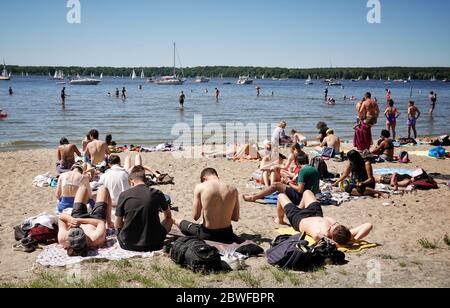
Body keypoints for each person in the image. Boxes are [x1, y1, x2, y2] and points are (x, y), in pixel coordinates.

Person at [276, 191, 373, 246]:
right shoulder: (346, 235)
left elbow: (318, 236)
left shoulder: (321, 233)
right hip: (315, 213)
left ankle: (280, 220)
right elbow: (368, 225)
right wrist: (355, 239)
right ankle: (300, 208)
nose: (333, 224)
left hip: (299, 219)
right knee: (307, 192)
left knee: (281, 196)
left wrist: (335, 243)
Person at [174, 168, 240, 244]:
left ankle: (174, 220)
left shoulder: (200, 187)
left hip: (208, 234)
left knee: (179, 221)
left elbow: (195, 216)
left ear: (204, 178)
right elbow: (235, 218)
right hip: (227, 234)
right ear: (217, 176)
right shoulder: (233, 188)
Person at [115, 166, 173, 252]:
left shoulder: (124, 195)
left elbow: (118, 224)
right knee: (170, 220)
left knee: (120, 223)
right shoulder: (156, 193)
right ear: (145, 180)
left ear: (131, 180)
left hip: (127, 244)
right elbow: (168, 215)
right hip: (154, 243)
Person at [58, 186, 112, 256]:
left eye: (72, 234)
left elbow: (61, 217)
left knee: (82, 188)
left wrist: (70, 219)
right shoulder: (95, 238)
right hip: (95, 221)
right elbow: (100, 222)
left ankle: (91, 196)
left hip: (76, 218)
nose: (76, 232)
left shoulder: (63, 239)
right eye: (80, 234)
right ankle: (93, 197)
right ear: (86, 240)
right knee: (103, 189)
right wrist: (109, 222)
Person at [244, 164, 320, 206]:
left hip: (301, 199)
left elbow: (300, 190)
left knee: (275, 185)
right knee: (279, 185)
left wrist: (288, 182)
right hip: (310, 197)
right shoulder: (313, 169)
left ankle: (253, 197)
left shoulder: (303, 171)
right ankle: (258, 194)